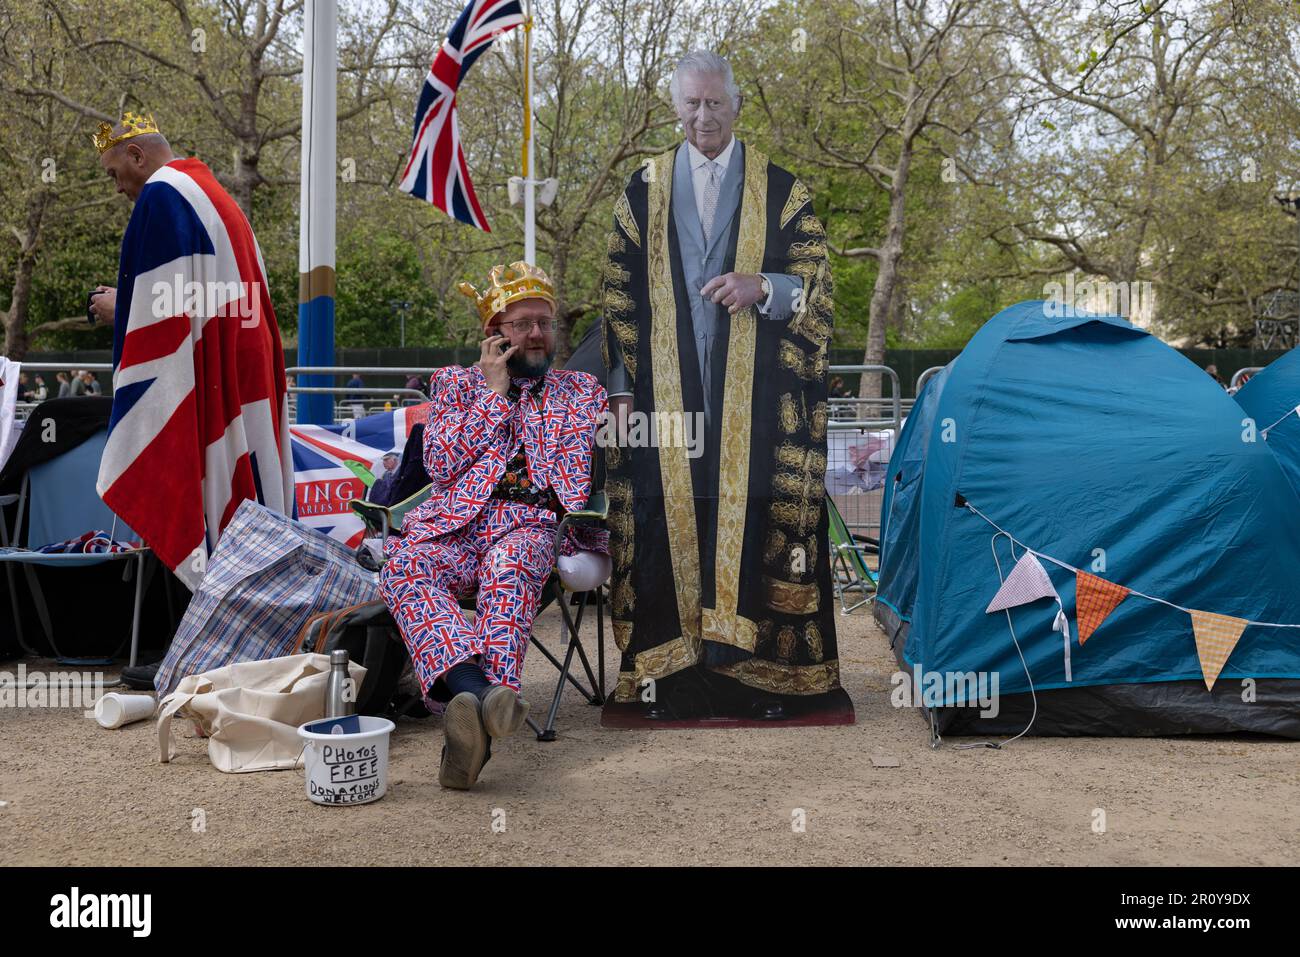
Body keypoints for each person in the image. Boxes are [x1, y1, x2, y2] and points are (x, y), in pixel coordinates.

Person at [601, 51, 841, 720]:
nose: (703, 116)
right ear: (674, 107)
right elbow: (617, 301)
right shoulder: (641, 190)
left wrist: (763, 285)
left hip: (759, 402)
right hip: (664, 403)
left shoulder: (784, 189)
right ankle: (671, 670)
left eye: (715, 103)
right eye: (692, 104)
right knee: (671, 519)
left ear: (737, 107)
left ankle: (755, 674)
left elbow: (820, 290)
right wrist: (620, 391)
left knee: (753, 516)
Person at [379, 261, 609, 790]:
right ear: (494, 335)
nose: (536, 334)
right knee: (405, 564)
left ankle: (471, 704)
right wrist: (494, 393)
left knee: (510, 566)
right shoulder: (455, 385)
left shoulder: (579, 392)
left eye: (544, 323)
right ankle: (484, 700)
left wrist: (517, 401)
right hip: (457, 527)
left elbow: (568, 465)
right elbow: (441, 464)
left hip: (532, 524)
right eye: (522, 324)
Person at [92, 110, 293, 599]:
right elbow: (211, 301)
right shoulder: (213, 193)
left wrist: (122, 311)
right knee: (243, 505)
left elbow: (169, 322)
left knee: (196, 497)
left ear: (137, 156)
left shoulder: (164, 194)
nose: (118, 189)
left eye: (116, 173)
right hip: (241, 368)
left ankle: (192, 636)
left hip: (214, 377)